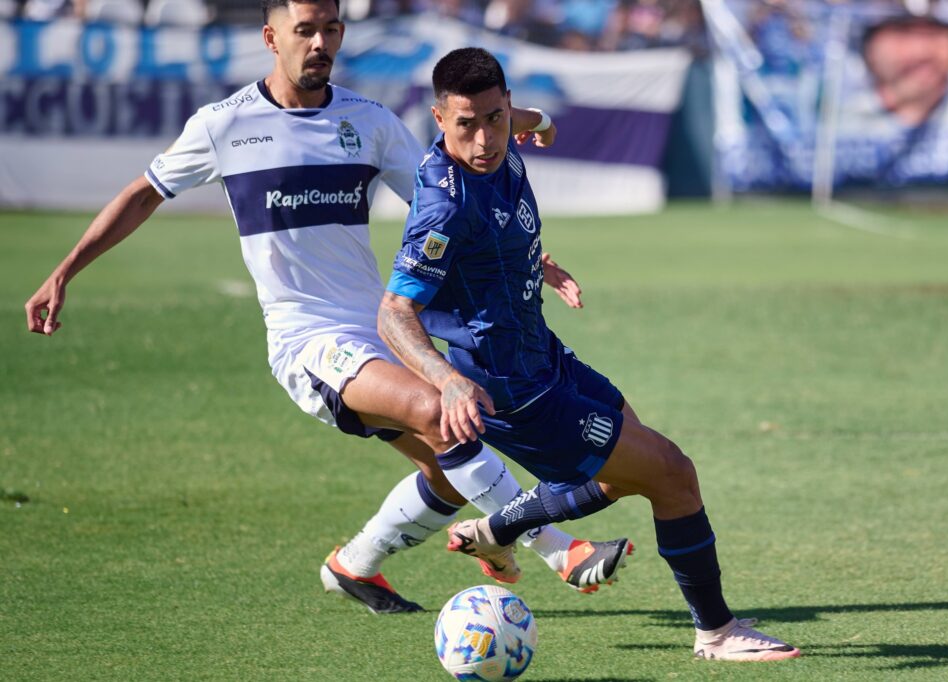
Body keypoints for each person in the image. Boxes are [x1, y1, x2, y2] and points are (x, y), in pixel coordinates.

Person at [23, 0, 632, 615]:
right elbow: (141, 195)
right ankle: (560, 549)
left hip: (382, 328)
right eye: (304, 30)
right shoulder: (224, 124)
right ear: (271, 36)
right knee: (441, 410)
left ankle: (354, 566)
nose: (320, 42)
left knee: (454, 471)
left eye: (330, 29)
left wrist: (536, 250)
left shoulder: (366, 121)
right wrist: (64, 271)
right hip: (307, 339)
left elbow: (452, 172)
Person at [378, 46, 800, 661]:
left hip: (542, 352)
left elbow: (523, 128)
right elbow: (394, 312)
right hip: (510, 391)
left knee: (627, 451)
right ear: (439, 119)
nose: (484, 139)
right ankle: (716, 631)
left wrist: (534, 248)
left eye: (494, 118)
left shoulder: (501, 137)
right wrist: (445, 380)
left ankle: (496, 530)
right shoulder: (444, 207)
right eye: (464, 124)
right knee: (672, 474)